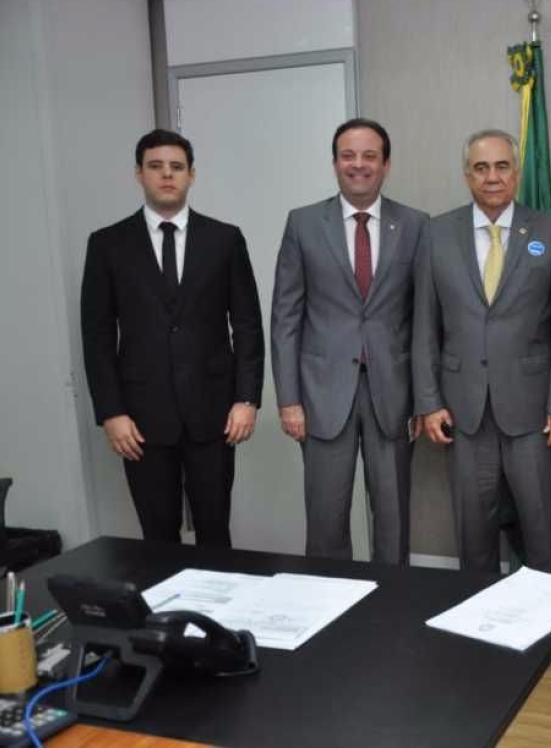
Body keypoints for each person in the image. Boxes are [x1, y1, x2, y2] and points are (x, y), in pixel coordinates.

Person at [81, 129, 264, 547]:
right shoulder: (108, 244)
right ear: (139, 174)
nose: (167, 175)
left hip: (214, 414)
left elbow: (247, 325)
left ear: (191, 175)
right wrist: (111, 412)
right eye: (156, 166)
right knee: (158, 537)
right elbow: (97, 334)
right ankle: (164, 596)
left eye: (177, 167)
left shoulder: (224, 239)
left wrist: (246, 399)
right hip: (140, 418)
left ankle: (215, 594)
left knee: (215, 532)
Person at [271, 118, 428, 564]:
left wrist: (423, 399)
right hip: (321, 396)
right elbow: (285, 317)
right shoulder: (303, 223)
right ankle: (329, 600)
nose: (358, 165)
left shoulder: (415, 225)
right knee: (326, 519)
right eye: (348, 156)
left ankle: (392, 599)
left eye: (369, 156)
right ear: (335, 162)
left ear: (386, 164)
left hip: (393, 395)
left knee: (393, 520)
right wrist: (289, 400)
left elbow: (424, 319)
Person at [413, 129, 551, 574]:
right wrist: (429, 402)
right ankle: (479, 615)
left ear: (517, 173)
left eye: (502, 166)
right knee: (474, 536)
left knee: (542, 531)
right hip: (463, 412)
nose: (492, 177)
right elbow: (424, 324)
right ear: (467, 176)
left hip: (535, 412)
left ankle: (547, 614)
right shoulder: (437, 233)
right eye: (481, 168)